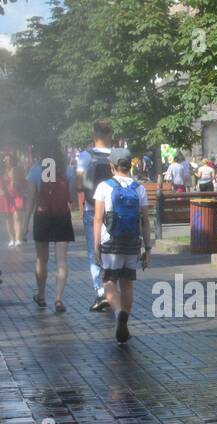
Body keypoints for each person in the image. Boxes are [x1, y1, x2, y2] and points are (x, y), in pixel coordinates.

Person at [92, 148, 151, 344]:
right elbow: (145, 220)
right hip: (132, 242)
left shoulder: (104, 187)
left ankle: (118, 314)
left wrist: (96, 245)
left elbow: (98, 218)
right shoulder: (139, 188)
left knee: (109, 282)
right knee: (127, 284)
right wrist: (147, 248)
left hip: (110, 241)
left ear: (112, 166)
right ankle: (125, 318)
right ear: (130, 165)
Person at [26, 140, 77, 312]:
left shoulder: (36, 170)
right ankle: (58, 298)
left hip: (42, 216)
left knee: (42, 259)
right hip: (61, 216)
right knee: (61, 260)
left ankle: (41, 295)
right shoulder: (68, 170)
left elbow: (31, 199)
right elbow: (72, 198)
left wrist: (26, 223)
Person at [76, 121, 115, 311]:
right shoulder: (117, 155)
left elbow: (78, 182)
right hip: (113, 211)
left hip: (92, 209)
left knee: (94, 251)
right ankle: (111, 287)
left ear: (94, 134)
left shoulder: (85, 156)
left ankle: (100, 291)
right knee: (112, 249)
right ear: (109, 135)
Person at [0, 153, 24, 247]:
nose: (8, 162)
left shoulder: (17, 170)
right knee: (8, 218)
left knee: (17, 217)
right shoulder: (2, 172)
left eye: (10, 160)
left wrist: (18, 184)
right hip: (6, 197)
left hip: (16, 196)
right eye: (6, 160)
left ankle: (18, 239)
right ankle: (11, 239)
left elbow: (23, 182)